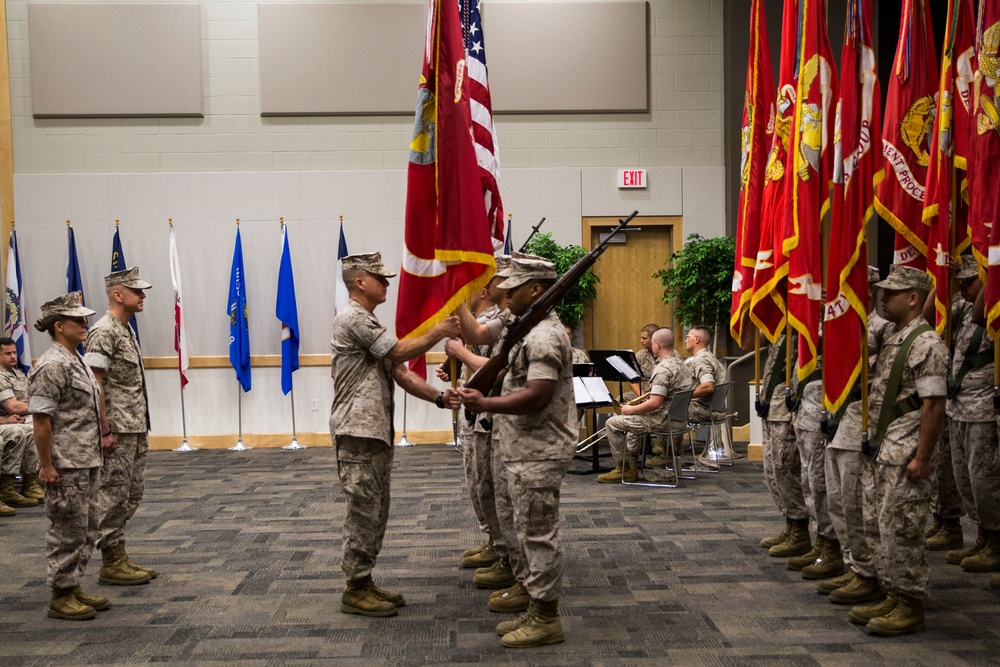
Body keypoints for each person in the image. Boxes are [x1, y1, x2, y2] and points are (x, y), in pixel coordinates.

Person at [331, 252, 461, 618]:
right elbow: (399, 350)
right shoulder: (354, 318)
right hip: (357, 431)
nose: (387, 283)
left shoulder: (368, 320)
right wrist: (438, 331)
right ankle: (355, 588)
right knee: (363, 508)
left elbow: (400, 372)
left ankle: (363, 580)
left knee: (376, 508)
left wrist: (437, 397)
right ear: (360, 282)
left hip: (371, 431)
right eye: (380, 278)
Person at [459, 253, 576, 648]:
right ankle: (532, 596)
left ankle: (546, 617)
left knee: (539, 533)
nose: (505, 296)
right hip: (522, 446)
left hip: (539, 449)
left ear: (537, 290)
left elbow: (538, 394)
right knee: (523, 530)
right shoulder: (527, 328)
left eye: (513, 290)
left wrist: (485, 403)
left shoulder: (543, 336)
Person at [849, 265, 947, 636]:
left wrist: (923, 458)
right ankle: (893, 591)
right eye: (881, 291)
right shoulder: (893, 335)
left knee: (904, 528)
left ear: (914, 299)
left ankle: (910, 602)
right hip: (884, 449)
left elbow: (934, 405)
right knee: (881, 526)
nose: (882, 297)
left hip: (906, 453)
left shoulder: (926, 344)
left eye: (891, 292)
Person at [27, 292, 108, 620]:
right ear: (59, 326)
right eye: (77, 320)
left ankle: (72, 584)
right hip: (64, 462)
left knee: (87, 526)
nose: (84, 324)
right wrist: (46, 465)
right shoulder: (52, 364)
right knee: (66, 527)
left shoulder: (77, 359)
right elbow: (40, 419)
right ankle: (60, 594)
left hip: (85, 459)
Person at [820, 266, 894, 604]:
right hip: (838, 422)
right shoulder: (838, 326)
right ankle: (853, 567)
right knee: (837, 502)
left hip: (861, 425)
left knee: (856, 505)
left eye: (855, 287)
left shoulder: (882, 327)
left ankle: (867, 573)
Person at [439, 255, 511, 572]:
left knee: (493, 488)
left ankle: (505, 550)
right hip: (477, 416)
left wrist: (461, 354)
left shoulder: (505, 318)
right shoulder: (486, 322)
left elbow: (496, 368)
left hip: (494, 415)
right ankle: (495, 540)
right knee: (478, 484)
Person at [83, 267, 154, 586]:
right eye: (137, 291)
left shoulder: (125, 329)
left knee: (131, 493)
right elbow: (94, 385)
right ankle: (110, 560)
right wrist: (104, 431)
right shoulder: (104, 331)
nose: (142, 295)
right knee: (113, 494)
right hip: (117, 428)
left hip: (134, 425)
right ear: (117, 294)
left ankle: (117, 553)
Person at [933, 256, 1000, 573]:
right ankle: (984, 537)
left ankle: (996, 541)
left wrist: (991, 273)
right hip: (958, 408)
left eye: (969, 280)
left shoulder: (989, 308)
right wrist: (942, 274)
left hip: (982, 410)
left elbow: (980, 314)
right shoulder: (961, 305)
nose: (962, 287)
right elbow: (929, 313)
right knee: (965, 481)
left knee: (985, 481)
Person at [597, 328, 693, 483]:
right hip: (678, 420)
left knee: (612, 423)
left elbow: (655, 403)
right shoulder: (681, 364)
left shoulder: (662, 369)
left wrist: (630, 409)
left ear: (657, 345)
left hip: (661, 420)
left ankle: (624, 469)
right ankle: (632, 463)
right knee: (632, 417)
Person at [755, 332, 810, 558]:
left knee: (786, 468)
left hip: (787, 407)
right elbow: (752, 341)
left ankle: (800, 531)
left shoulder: (804, 321)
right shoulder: (780, 326)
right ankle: (790, 525)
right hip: (772, 404)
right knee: (773, 470)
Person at [0, 336, 44, 504]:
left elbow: (30, 400)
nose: (13, 356)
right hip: (9, 419)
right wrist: (44, 406)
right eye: (7, 353)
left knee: (46, 421)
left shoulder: (18, 375)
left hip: (19, 418)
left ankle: (31, 482)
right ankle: (8, 487)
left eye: (14, 352)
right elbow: (14, 407)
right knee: (32, 427)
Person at [684, 326, 731, 464]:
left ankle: (665, 458)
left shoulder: (702, 360)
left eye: (688, 337)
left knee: (666, 410)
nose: (686, 340)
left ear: (697, 339)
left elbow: (708, 386)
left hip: (703, 408)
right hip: (711, 408)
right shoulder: (709, 356)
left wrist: (682, 397)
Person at [623, 323, 659, 401]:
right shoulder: (641, 354)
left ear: (654, 339)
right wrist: (642, 396)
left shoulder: (668, 354)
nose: (641, 341)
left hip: (661, 395)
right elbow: (633, 381)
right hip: (644, 393)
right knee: (622, 399)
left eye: (644, 338)